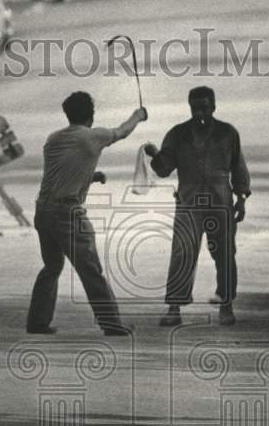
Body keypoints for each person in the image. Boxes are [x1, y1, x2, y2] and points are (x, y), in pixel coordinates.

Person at [26, 92, 147, 335]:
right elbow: (122, 131)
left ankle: (37, 322)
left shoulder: (53, 139)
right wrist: (138, 115)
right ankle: (111, 323)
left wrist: (91, 178)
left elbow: (61, 174)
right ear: (91, 116)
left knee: (51, 266)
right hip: (67, 214)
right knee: (90, 269)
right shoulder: (93, 136)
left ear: (68, 114)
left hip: (43, 211)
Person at [143, 86, 251, 327]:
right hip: (188, 203)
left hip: (220, 202)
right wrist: (154, 154)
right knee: (182, 253)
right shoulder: (177, 134)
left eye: (205, 107)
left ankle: (226, 305)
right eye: (195, 108)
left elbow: (239, 167)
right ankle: (174, 307)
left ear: (214, 106)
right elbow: (163, 169)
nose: (200, 113)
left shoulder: (228, 133)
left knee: (224, 254)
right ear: (189, 108)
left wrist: (241, 199)